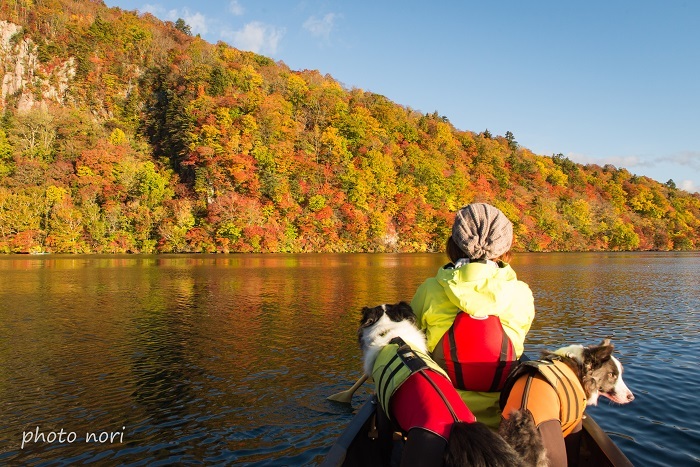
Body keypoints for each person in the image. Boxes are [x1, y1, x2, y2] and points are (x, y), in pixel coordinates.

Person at [410, 202, 535, 430]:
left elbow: (412, 337)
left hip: (443, 414)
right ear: (504, 247)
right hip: (503, 418)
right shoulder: (521, 293)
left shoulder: (429, 290)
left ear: (455, 244)